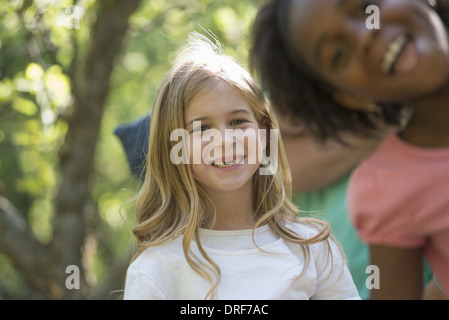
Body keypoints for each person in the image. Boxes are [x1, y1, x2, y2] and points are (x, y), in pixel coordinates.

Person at [123, 33, 360, 300]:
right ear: (174, 148)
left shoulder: (313, 247)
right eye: (202, 128)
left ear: (265, 132)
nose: (225, 140)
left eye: (237, 122)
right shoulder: (156, 270)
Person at [250, 0, 449, 299]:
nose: (365, 34)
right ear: (348, 98)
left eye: (366, 6)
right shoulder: (388, 191)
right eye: (338, 54)